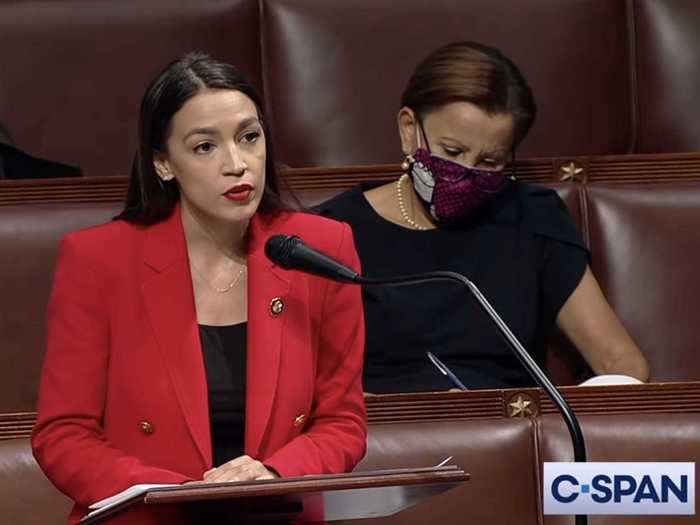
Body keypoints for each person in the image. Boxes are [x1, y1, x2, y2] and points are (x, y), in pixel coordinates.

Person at [32, 52, 366, 524]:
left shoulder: (319, 248)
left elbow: (342, 422)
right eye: (205, 147)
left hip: (276, 513)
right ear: (164, 163)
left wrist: (276, 473)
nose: (237, 164)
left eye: (249, 137)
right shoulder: (99, 260)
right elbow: (63, 434)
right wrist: (174, 494)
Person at [318, 41, 648, 393]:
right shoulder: (334, 229)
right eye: (452, 151)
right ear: (408, 129)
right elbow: (306, 382)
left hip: (509, 434)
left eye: (489, 162)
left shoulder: (533, 217)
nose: (465, 172)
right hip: (385, 437)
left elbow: (622, 362)